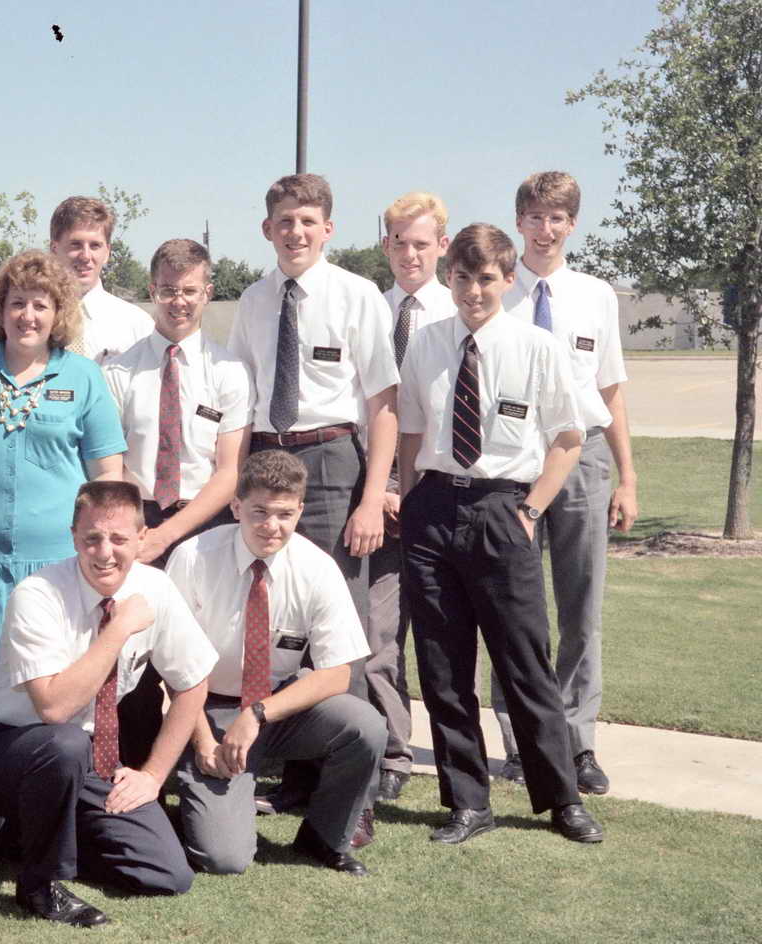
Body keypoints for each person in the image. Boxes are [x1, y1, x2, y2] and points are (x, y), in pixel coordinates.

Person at [397, 222, 604, 845]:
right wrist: (410, 505)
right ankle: (468, 803)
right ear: (449, 278)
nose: (473, 291)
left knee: (525, 663)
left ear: (507, 280)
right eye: (462, 278)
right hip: (433, 509)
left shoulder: (537, 348)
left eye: (486, 279)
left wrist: (532, 509)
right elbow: (411, 434)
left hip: (502, 510)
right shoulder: (426, 343)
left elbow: (568, 438)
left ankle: (561, 798)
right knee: (441, 666)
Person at [0, 481, 217, 927]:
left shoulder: (155, 587)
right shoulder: (37, 594)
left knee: (167, 874)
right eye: (92, 539)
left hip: (85, 760)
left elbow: (193, 681)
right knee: (63, 743)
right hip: (6, 751)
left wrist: (154, 775)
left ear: (142, 538)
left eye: (119, 539)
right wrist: (118, 630)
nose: (105, 552)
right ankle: (40, 885)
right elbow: (55, 709)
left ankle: (28, 833)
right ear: (73, 537)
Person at [228, 174, 397, 825]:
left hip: (332, 465)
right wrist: (241, 486)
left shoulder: (356, 297)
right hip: (269, 459)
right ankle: (295, 780)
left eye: (307, 221)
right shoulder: (252, 299)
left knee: (336, 624)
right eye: (283, 221)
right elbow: (242, 398)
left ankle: (349, 794)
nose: (295, 232)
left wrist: (371, 496)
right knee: (279, 621)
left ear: (328, 229)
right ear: (267, 229)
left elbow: (383, 404)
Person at [0, 250, 128, 854]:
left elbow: (109, 473)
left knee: (50, 692)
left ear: (59, 313)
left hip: (58, 571)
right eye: (17, 302)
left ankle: (53, 809)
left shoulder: (82, 376)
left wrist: (112, 553)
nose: (28, 315)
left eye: (41, 304)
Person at [167, 450, 384, 876]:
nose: (272, 526)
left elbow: (338, 673)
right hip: (203, 707)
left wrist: (258, 714)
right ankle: (189, 809)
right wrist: (202, 742)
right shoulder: (192, 558)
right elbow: (170, 668)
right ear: (236, 507)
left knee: (366, 726)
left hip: (275, 708)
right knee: (224, 859)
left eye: (285, 514)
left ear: (300, 510)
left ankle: (324, 837)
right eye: (259, 512)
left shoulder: (317, 568)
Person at [491, 172, 638, 795]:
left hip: (584, 461)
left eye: (557, 218)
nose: (544, 229)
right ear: (518, 220)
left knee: (581, 612)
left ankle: (578, 743)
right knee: (514, 613)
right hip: (517, 464)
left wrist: (627, 476)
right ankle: (524, 742)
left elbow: (610, 390)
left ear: (572, 224)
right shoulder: (496, 290)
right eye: (534, 216)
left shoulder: (595, 295)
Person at [103, 238, 250, 767]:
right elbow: (112, 463)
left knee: (197, 651)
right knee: (135, 655)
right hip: (134, 522)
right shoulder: (119, 371)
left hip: (201, 524)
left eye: (190, 291)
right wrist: (135, 530)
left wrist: (168, 533)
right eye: (168, 290)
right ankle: (138, 772)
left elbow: (229, 471)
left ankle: (200, 768)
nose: (179, 301)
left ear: (208, 292)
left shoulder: (230, 371)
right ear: (151, 291)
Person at [366, 191, 455, 804]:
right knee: (378, 634)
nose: (408, 253)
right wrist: (385, 490)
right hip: (382, 498)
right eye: (398, 241)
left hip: (447, 496)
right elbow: (371, 409)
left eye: (421, 242)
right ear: (384, 245)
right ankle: (391, 752)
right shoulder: (370, 311)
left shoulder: (464, 313)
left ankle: (465, 756)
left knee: (450, 637)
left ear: (442, 246)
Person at [48, 196, 152, 362]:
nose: (85, 256)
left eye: (95, 245)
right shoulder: (33, 321)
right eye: (75, 245)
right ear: (54, 249)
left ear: (107, 252)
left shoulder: (137, 324)